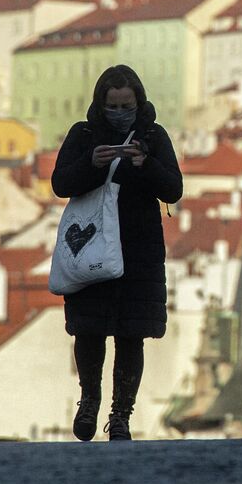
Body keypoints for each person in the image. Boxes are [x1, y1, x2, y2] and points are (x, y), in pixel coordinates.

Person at [51, 65, 183, 440]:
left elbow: (173, 189)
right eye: (113, 105)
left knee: (131, 334)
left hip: (137, 249)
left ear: (139, 102)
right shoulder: (84, 134)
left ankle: (120, 415)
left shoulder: (153, 137)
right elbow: (61, 183)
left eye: (127, 104)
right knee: (88, 330)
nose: (120, 111)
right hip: (91, 242)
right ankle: (89, 401)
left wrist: (145, 164)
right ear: (101, 103)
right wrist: (93, 164)